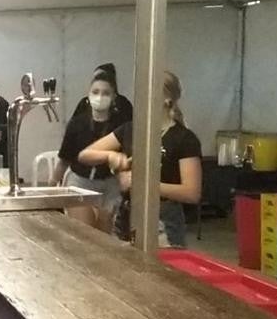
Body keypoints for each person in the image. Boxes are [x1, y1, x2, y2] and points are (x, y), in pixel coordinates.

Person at [78, 71, 202, 247]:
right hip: (126, 216)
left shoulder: (184, 139)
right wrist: (111, 156)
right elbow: (85, 155)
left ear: (167, 99)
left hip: (163, 220)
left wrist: (144, 185)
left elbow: (191, 192)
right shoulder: (130, 129)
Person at [54, 70, 130, 232]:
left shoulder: (121, 125)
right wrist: (52, 186)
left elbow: (125, 159)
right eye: (95, 92)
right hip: (79, 181)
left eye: (106, 93)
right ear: (88, 95)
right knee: (85, 232)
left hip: (109, 184)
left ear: (114, 97)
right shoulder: (77, 124)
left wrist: (122, 172)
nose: (100, 97)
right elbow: (64, 159)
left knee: (103, 236)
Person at [69, 63, 134, 125]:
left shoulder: (123, 103)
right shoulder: (83, 103)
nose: (100, 97)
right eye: (95, 78)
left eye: (106, 93)